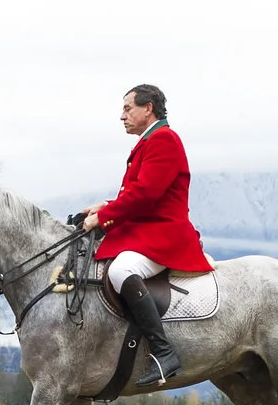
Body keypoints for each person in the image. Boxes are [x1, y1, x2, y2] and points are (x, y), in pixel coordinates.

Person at [76, 83, 209, 387]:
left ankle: (164, 352)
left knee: (122, 270)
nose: (122, 116)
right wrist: (103, 207)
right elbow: (138, 193)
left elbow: (146, 196)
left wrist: (104, 217)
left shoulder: (164, 140)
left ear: (148, 108)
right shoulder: (150, 141)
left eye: (127, 108)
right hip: (146, 230)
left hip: (164, 234)